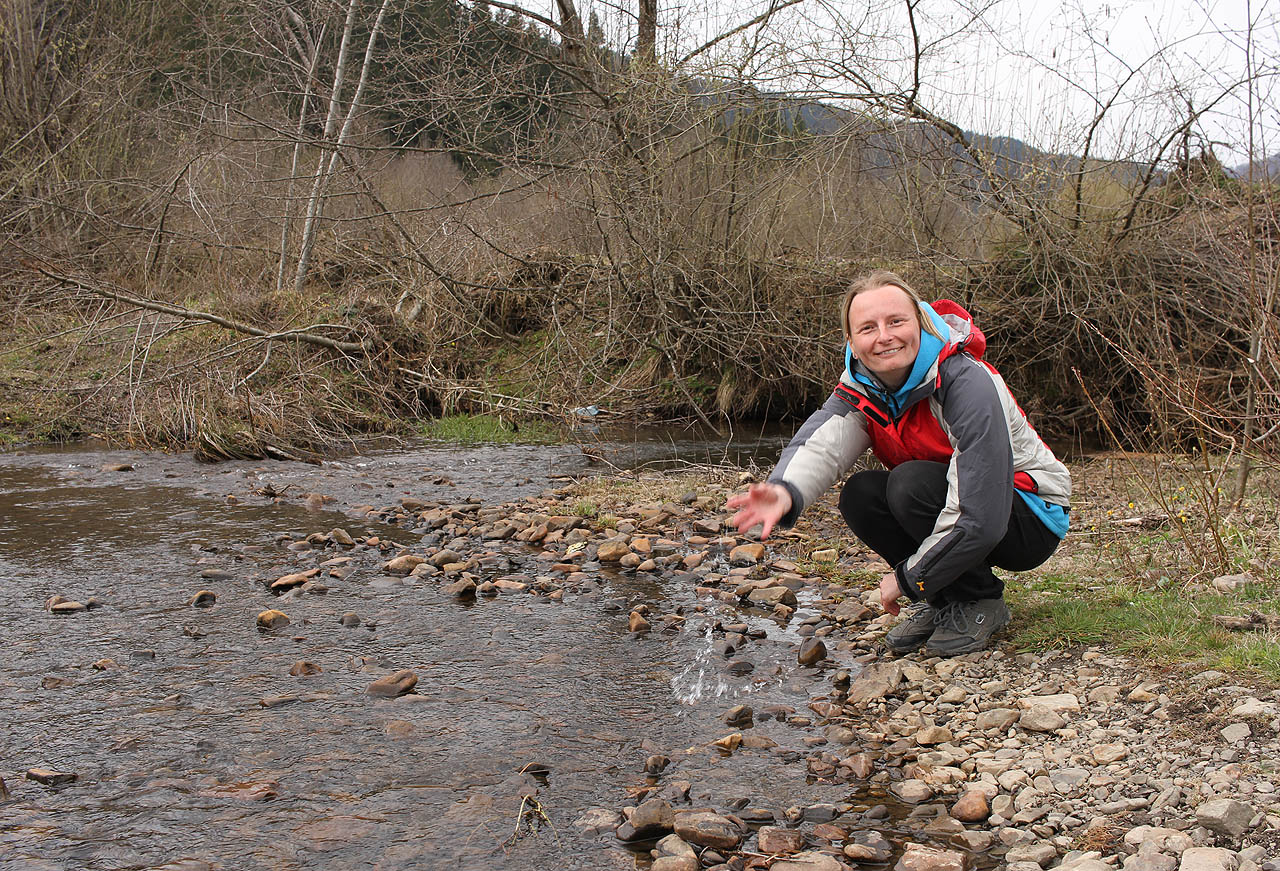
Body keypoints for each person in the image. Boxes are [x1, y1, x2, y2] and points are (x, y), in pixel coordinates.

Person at [727, 271, 1070, 655]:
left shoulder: (964, 382)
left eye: (896, 322)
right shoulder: (862, 386)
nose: (884, 336)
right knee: (861, 494)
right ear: (853, 344)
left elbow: (981, 516)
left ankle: (979, 602)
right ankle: (947, 599)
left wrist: (910, 579)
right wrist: (783, 491)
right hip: (957, 506)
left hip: (1030, 515)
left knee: (907, 484)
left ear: (920, 324)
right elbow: (824, 444)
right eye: (868, 328)